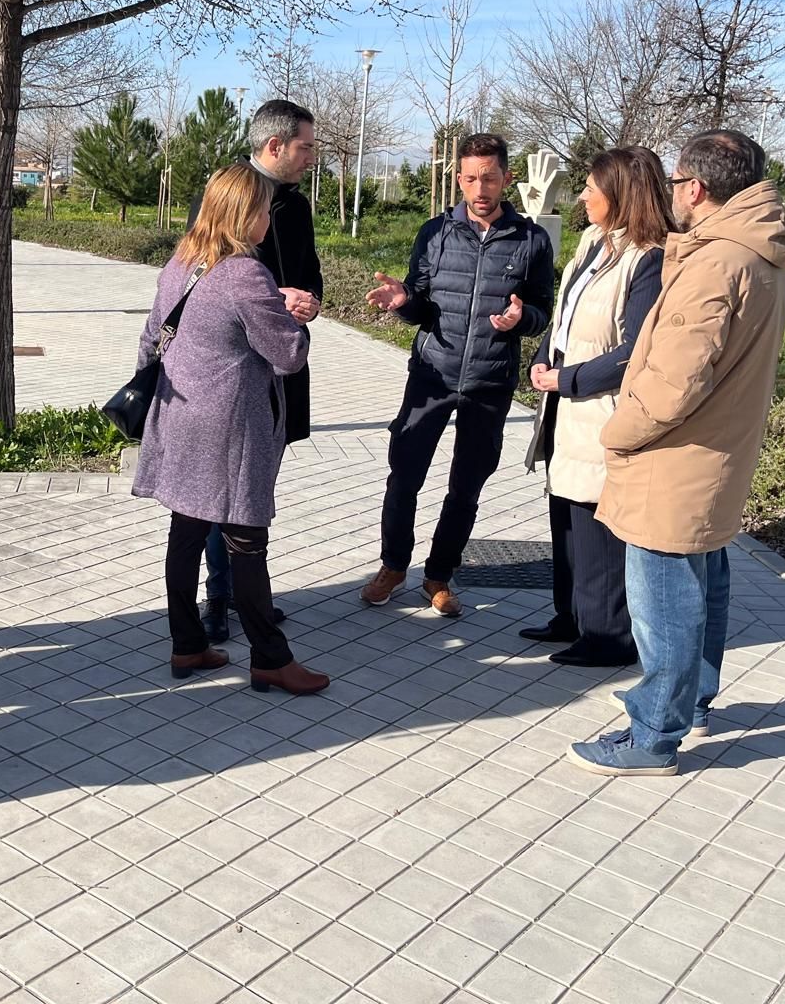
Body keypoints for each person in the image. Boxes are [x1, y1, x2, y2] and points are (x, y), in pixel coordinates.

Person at [568, 129, 785, 777]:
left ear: (695, 188)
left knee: (665, 596)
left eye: (676, 182)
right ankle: (690, 703)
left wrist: (618, 432)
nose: (673, 193)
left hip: (677, 458)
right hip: (717, 452)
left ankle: (652, 734)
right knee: (704, 583)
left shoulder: (717, 264)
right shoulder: (760, 250)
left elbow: (674, 382)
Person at [132, 163, 328, 696]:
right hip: (228, 428)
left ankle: (187, 644)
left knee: (186, 531)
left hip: (179, 416)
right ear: (247, 214)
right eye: (265, 210)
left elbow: (152, 336)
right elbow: (288, 356)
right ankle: (270, 658)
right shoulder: (245, 273)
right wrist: (293, 315)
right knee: (245, 539)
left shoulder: (182, 260)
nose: (269, 219)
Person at [362, 133, 556, 615]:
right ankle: (392, 565)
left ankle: (438, 575)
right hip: (432, 374)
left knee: (466, 485)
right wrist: (404, 303)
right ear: (459, 179)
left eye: (489, 177)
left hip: (490, 382)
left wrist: (521, 320)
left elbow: (541, 311)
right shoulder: (435, 233)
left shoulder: (532, 240)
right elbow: (420, 300)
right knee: (404, 474)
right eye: (470, 178)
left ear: (506, 178)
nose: (479, 187)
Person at [521, 147, 672, 667]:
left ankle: (607, 637)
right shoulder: (593, 241)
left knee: (595, 524)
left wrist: (569, 377)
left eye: (591, 187)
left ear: (622, 194)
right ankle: (570, 616)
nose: (582, 195)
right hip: (565, 403)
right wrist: (544, 360)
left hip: (600, 408)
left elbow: (636, 351)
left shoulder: (648, 257)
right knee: (563, 512)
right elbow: (566, 319)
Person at [184, 99, 322, 643]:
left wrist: (309, 299)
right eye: (306, 147)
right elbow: (200, 277)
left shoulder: (298, 206)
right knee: (226, 490)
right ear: (275, 146)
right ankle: (221, 596)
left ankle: (247, 591)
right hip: (232, 373)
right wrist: (268, 298)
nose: (312, 157)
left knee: (256, 487)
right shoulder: (225, 197)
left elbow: (309, 271)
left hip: (282, 365)